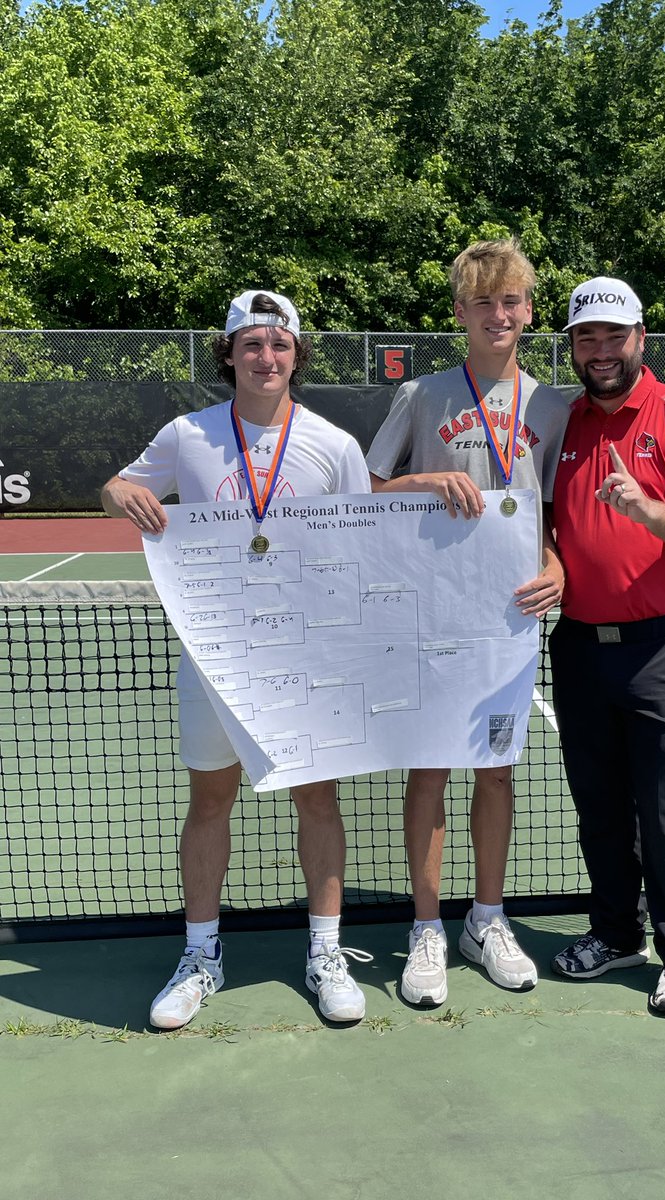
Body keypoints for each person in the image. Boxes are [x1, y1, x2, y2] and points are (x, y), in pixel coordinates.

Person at [101, 289, 373, 1027]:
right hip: (214, 658)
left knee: (317, 800)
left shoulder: (334, 445)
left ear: (296, 355)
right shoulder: (186, 435)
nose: (266, 358)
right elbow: (117, 485)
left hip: (305, 662)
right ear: (229, 355)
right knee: (210, 802)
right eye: (251, 345)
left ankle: (325, 950)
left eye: (279, 345)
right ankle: (200, 955)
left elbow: (358, 548)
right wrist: (126, 494)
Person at [366, 239, 570, 1006]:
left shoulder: (552, 407)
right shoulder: (422, 396)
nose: (498, 313)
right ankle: (426, 927)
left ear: (527, 311)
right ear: (459, 312)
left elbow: (557, 516)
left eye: (511, 300)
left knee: (496, 769)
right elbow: (370, 489)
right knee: (429, 767)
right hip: (429, 613)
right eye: (482, 301)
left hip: (510, 623)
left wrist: (559, 568)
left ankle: (487, 919)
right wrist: (425, 477)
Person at [548, 275, 665, 1016]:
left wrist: (646, 509)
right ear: (572, 346)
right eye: (584, 338)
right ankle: (615, 933)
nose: (599, 351)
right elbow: (547, 531)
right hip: (578, 648)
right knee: (599, 808)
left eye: (612, 336)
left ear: (640, 338)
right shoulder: (561, 423)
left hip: (660, 649)